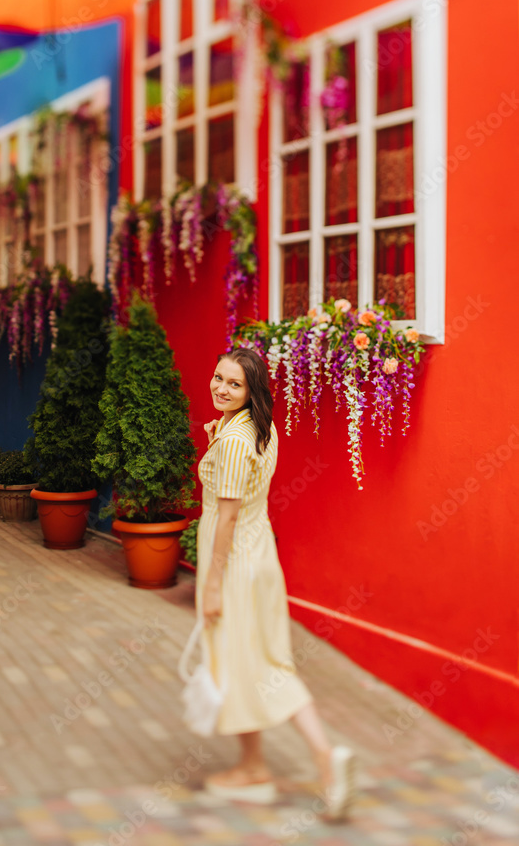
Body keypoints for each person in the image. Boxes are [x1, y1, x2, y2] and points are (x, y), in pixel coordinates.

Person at [195, 347, 356, 820]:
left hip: (234, 566)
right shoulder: (260, 428)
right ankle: (252, 766)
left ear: (252, 391)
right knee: (244, 662)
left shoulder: (234, 440)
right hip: (258, 554)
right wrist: (219, 435)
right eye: (218, 378)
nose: (221, 388)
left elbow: (226, 518)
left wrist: (212, 586)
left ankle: (326, 759)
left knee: (262, 666)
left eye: (234, 384)